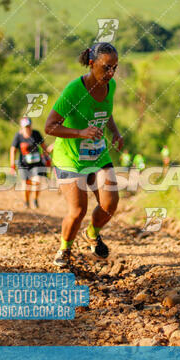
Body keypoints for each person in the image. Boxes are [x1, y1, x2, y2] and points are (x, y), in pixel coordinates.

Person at [45, 42, 123, 268]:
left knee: (110, 203)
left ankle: (92, 235)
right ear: (92, 63)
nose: (111, 73)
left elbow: (106, 113)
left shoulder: (111, 86)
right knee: (78, 210)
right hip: (70, 158)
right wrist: (80, 132)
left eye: (114, 68)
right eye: (106, 67)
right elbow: (50, 126)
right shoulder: (74, 90)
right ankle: (64, 250)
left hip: (97, 154)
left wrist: (115, 133)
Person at [10, 117, 50, 209]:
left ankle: (35, 200)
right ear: (22, 127)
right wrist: (12, 165)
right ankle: (26, 202)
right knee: (26, 184)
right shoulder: (18, 136)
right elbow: (13, 150)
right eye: (25, 127)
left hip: (36, 163)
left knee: (37, 181)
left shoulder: (36, 134)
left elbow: (44, 147)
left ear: (31, 126)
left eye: (28, 126)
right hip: (23, 164)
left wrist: (47, 157)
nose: (27, 128)